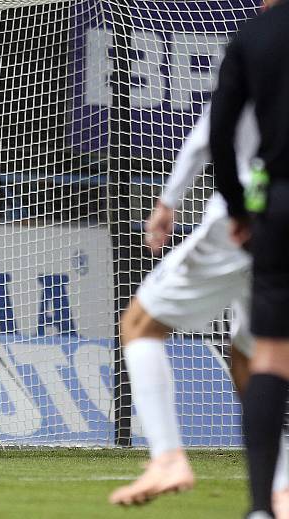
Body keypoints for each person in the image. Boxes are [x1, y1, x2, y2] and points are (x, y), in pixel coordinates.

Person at [109, 101, 289, 512]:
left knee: (139, 325)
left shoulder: (258, 46)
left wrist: (168, 201)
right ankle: (281, 489)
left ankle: (168, 458)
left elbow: (208, 134)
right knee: (254, 356)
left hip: (241, 219)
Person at [210, 1, 289, 516]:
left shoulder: (255, 34)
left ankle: (262, 507)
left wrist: (238, 210)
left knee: (271, 357)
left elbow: (219, 134)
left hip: (281, 207)